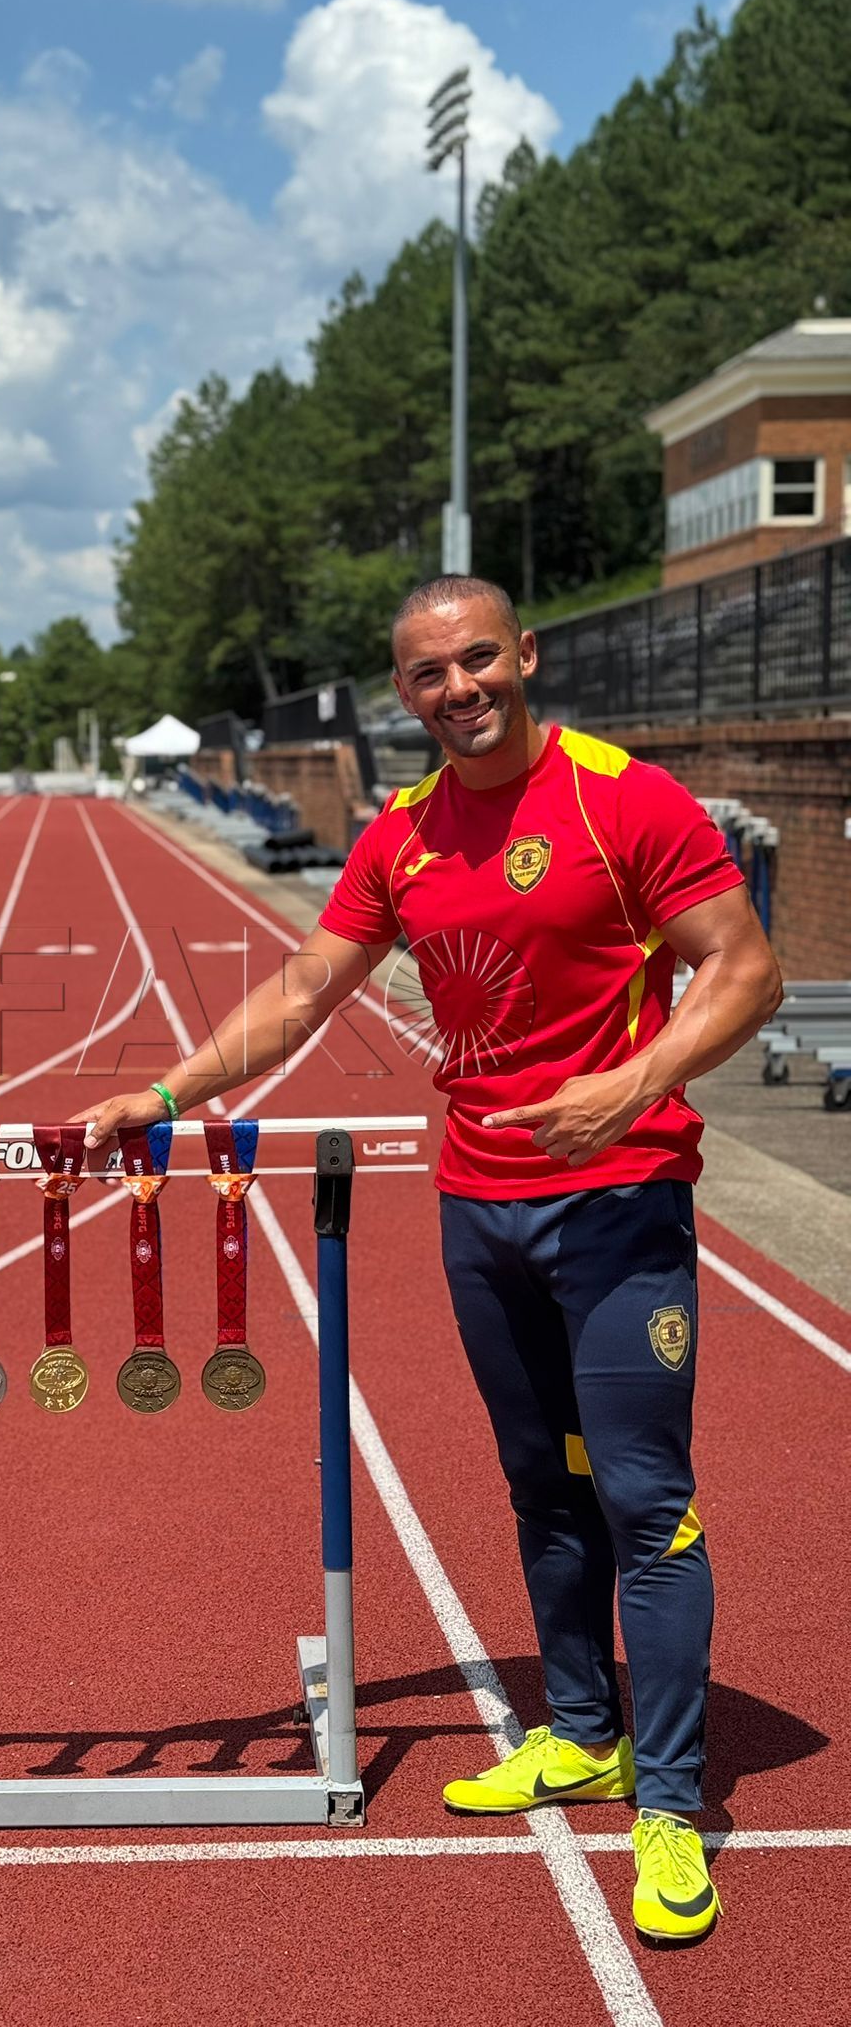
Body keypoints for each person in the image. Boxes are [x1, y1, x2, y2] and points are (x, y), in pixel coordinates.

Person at [74, 575, 782, 1945]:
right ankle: (582, 1733)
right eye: (427, 675)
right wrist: (162, 1099)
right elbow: (301, 992)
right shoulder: (399, 834)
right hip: (481, 1203)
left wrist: (629, 1089)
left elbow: (743, 967)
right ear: (402, 695)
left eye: (477, 661)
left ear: (525, 657)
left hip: (621, 1200)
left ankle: (673, 1809)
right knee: (542, 1481)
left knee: (646, 1498)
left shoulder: (620, 796)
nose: (459, 690)